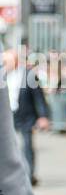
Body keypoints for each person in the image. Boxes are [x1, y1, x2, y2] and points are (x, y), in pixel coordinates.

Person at [0, 81, 45, 195]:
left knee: (26, 148)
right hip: (16, 116)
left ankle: (32, 172)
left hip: (25, 118)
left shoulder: (28, 77)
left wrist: (43, 115)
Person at [4, 50, 49, 186]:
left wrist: (43, 116)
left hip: (26, 115)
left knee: (27, 145)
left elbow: (39, 97)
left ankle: (29, 176)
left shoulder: (29, 75)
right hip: (9, 115)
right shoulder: (4, 75)